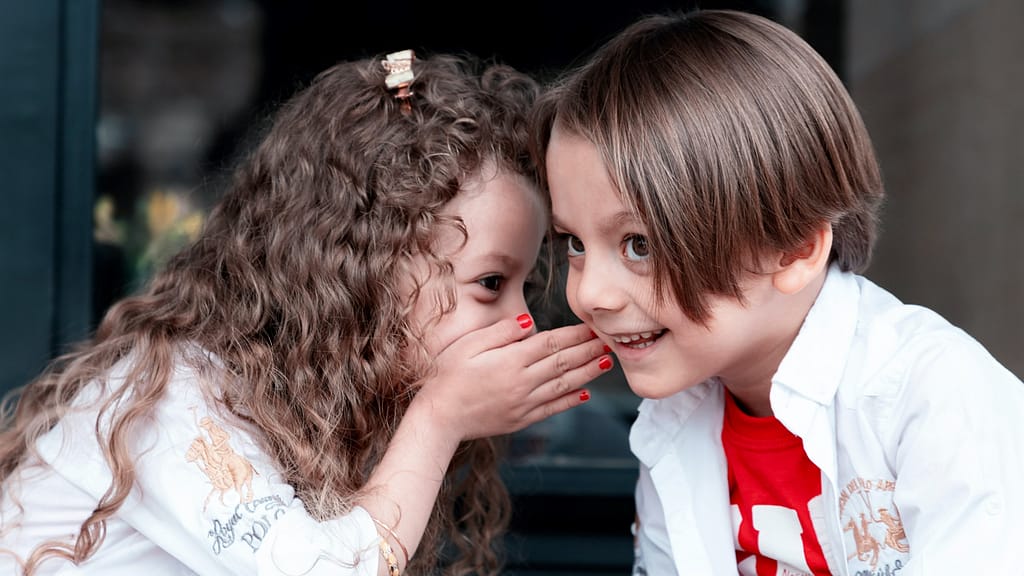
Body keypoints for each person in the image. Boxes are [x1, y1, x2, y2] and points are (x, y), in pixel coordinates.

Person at [0, 49, 614, 576]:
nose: (517, 318)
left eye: (523, 287)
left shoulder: (322, 401)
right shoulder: (170, 395)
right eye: (489, 282)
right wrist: (439, 418)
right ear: (367, 266)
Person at [530, 8, 1024, 575]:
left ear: (794, 250)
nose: (591, 293)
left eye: (639, 244)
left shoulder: (931, 399)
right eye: (573, 243)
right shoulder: (673, 422)